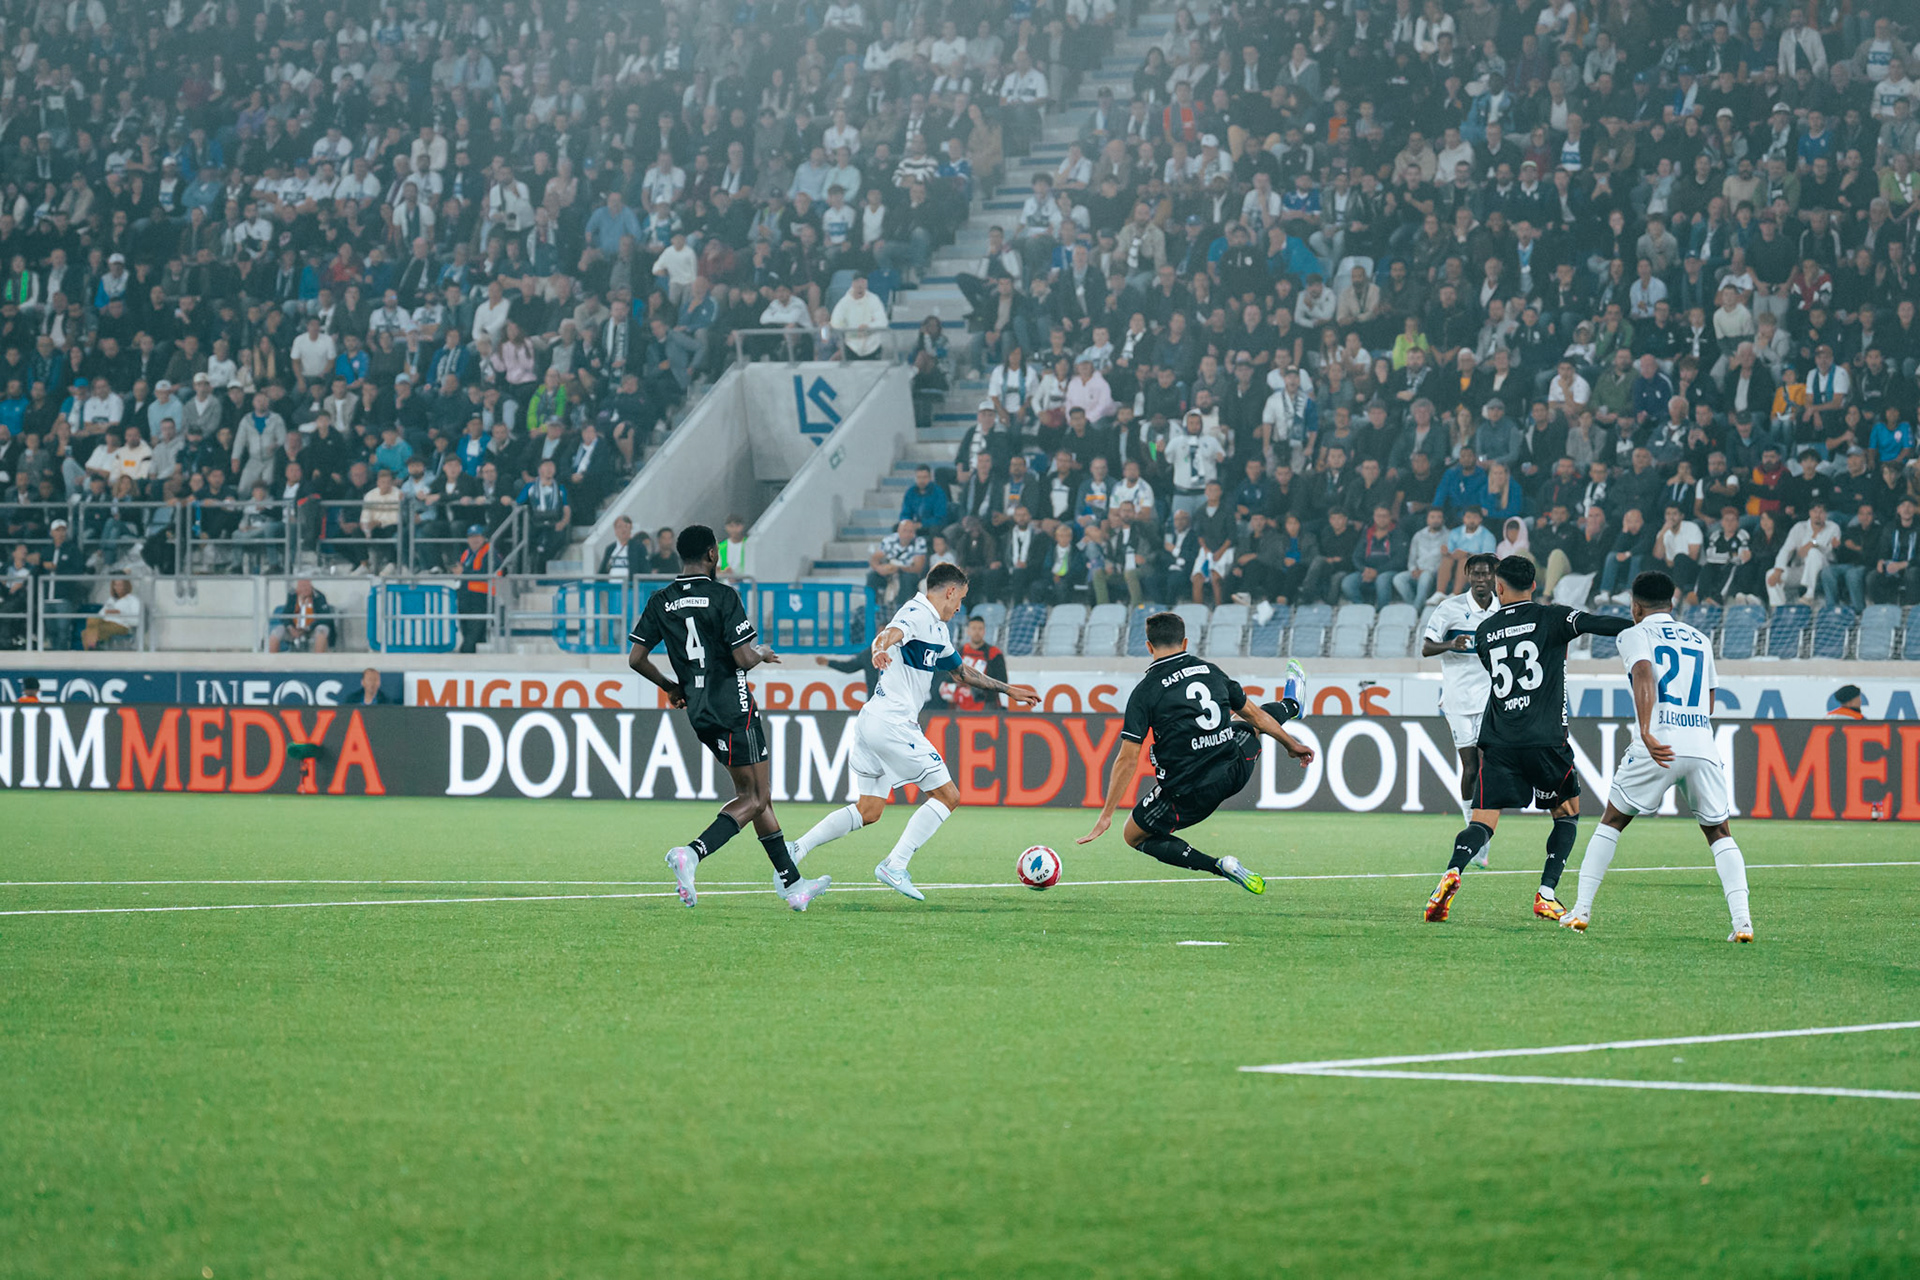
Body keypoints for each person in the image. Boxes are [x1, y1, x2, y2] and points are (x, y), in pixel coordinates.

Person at [786, 563, 1039, 900]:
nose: (960, 607)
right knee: (948, 796)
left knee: (869, 810)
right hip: (892, 723)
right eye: (960, 599)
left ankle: (796, 849)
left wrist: (1009, 690)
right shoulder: (917, 612)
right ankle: (895, 864)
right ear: (949, 592)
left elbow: (961, 673)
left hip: (872, 720)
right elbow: (890, 633)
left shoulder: (938, 629)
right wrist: (878, 649)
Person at [626, 523, 831, 912]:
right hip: (734, 707)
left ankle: (793, 884)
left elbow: (636, 659)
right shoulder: (723, 596)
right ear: (711, 555)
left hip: (700, 712)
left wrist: (671, 686)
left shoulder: (661, 599)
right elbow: (742, 658)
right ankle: (692, 853)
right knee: (756, 797)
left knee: (755, 797)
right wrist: (763, 651)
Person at [1424, 555, 1632, 925]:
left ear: (1499, 587)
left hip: (1499, 741)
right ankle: (1547, 895)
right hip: (1545, 738)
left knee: (1483, 821)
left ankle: (1452, 872)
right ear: (1534, 586)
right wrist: (1640, 626)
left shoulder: (1486, 631)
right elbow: (1596, 623)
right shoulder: (1553, 617)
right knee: (1567, 814)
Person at [1563, 571, 1753, 942]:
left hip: (1659, 743)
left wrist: (1648, 730)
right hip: (1701, 744)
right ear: (1673, 602)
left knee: (1612, 820)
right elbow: (1709, 701)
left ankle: (1581, 909)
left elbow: (1644, 672)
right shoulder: (1700, 639)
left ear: (1634, 607)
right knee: (1719, 832)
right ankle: (1742, 922)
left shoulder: (1634, 634)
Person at [1076, 613, 1312, 892]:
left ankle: (1218, 865)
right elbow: (1258, 717)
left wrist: (1106, 815)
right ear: (1185, 641)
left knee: (1134, 835)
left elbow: (1128, 759)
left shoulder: (1146, 691)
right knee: (1245, 723)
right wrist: (1291, 744)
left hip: (1187, 793)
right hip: (1235, 770)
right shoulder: (1212, 672)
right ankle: (1292, 705)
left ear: (1148, 646)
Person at [1420, 553, 1500, 837]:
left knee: (1487, 768)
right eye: (1476, 574)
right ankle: (1471, 824)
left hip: (1493, 698)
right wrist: (1451, 644)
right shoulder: (1449, 609)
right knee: (1470, 768)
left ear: (1494, 576)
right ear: (1468, 576)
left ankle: (1481, 832)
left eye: (1486, 574)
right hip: (1458, 699)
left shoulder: (1503, 609)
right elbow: (1426, 648)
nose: (1481, 580)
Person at [267, 579, 335, 653]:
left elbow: (325, 618)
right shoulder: (292, 596)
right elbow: (285, 615)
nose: (304, 589)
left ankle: (318, 660)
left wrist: (308, 627)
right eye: (301, 587)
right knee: (276, 632)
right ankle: (272, 661)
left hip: (312, 628)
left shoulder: (319, 597)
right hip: (294, 629)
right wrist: (290, 628)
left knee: (322, 630)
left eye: (306, 586)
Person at [80, 578, 142, 650]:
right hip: (106, 623)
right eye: (115, 585)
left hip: (121, 625)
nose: (117, 587)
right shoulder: (111, 600)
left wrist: (119, 613)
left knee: (86, 633)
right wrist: (107, 612)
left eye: (120, 585)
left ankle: (91, 650)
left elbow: (136, 621)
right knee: (91, 620)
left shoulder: (133, 600)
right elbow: (100, 615)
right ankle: (93, 648)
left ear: (126, 586)